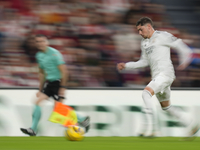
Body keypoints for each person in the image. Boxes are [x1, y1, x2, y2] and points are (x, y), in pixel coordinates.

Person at [117, 17, 199, 138]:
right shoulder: (144, 43)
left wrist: (185, 59)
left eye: (141, 29)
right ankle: (191, 123)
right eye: (138, 30)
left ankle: (152, 128)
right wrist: (127, 65)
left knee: (146, 94)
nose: (139, 33)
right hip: (158, 76)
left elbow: (179, 44)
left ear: (149, 27)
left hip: (165, 74)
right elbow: (144, 62)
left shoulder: (162, 35)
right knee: (166, 107)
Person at [20, 34, 90, 136]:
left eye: (42, 41)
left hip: (58, 82)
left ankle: (81, 120)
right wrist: (40, 89)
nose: (40, 43)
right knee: (37, 102)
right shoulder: (39, 55)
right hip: (50, 83)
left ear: (46, 42)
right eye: (38, 42)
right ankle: (33, 129)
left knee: (58, 110)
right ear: (36, 44)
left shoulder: (54, 54)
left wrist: (63, 87)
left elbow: (64, 71)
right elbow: (41, 72)